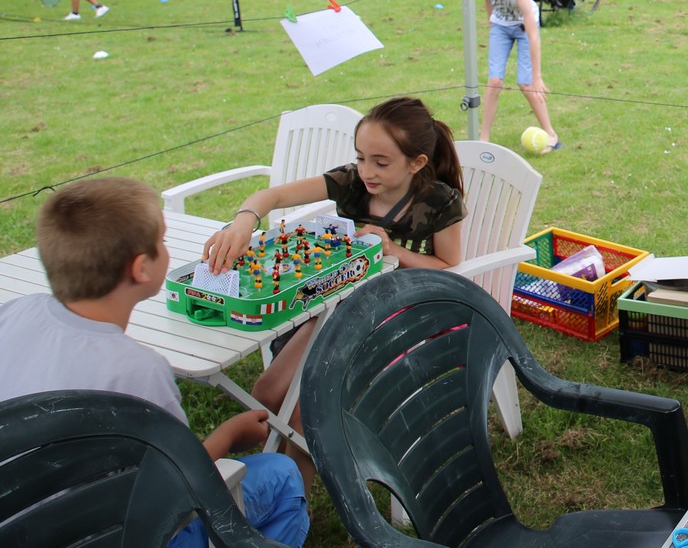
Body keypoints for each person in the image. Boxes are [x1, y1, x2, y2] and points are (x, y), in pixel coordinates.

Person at [0, 177, 309, 548]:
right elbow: (176, 483)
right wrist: (228, 436)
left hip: (18, 527)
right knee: (281, 474)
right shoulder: (139, 370)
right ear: (141, 268)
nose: (166, 248)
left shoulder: (12, 313)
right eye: (162, 240)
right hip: (120, 535)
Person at [200, 95, 467, 489]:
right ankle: (277, 481)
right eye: (360, 157)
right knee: (266, 393)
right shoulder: (352, 182)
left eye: (380, 162)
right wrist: (243, 222)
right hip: (338, 303)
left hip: (398, 315)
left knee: (301, 413)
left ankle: (292, 500)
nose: (366, 170)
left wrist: (392, 250)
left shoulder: (439, 201)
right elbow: (273, 196)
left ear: (416, 163)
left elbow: (448, 265)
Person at [475, 0, 561, 151]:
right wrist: (495, 29)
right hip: (501, 28)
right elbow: (490, 14)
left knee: (526, 84)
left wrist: (536, 77)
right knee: (494, 82)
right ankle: (483, 140)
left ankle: (551, 134)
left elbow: (533, 37)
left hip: (524, 29)